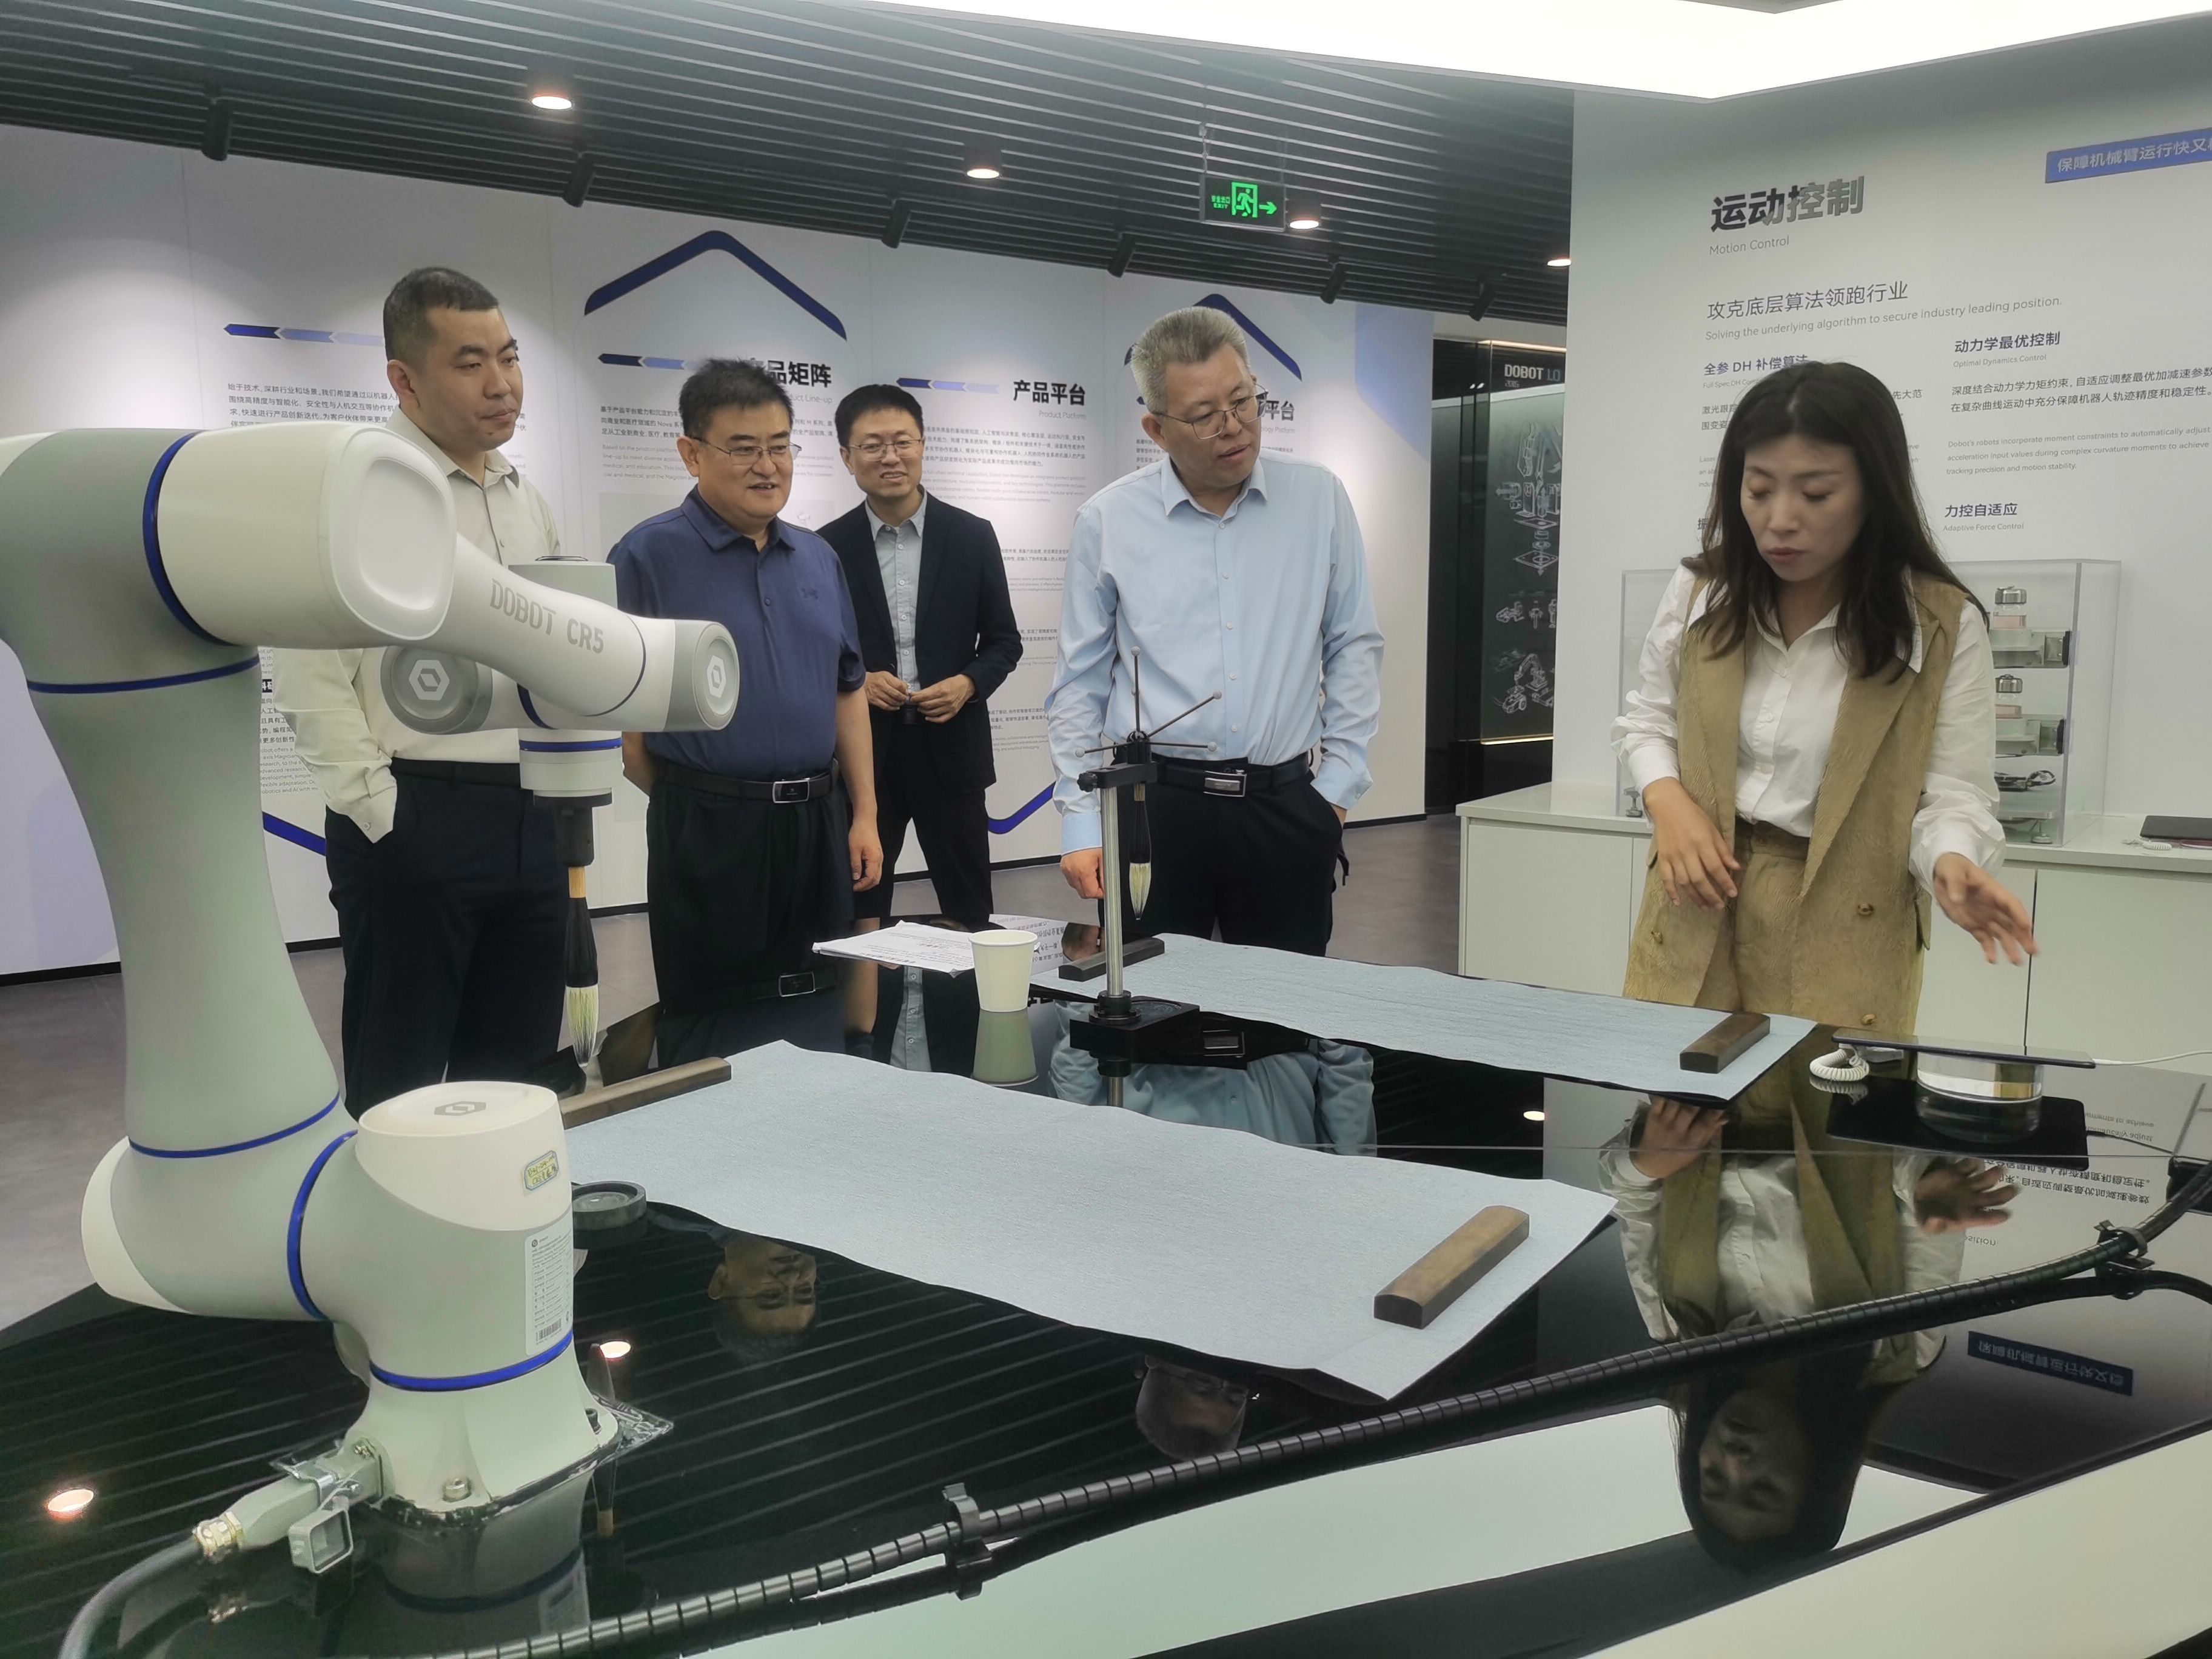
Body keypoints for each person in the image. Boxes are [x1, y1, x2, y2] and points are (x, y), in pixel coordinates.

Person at [1613, 360, 2036, 1036]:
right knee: (1675, 1092)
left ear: (1875, 491)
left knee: (1829, 1099)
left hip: (1846, 921)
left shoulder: (1940, 625)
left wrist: (1953, 860)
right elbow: (1647, 721)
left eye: (1816, 494)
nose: (1780, 521)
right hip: (1695, 902)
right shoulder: (1703, 591)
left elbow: (1954, 792)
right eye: (1758, 490)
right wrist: (1668, 803)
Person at [272, 267, 565, 1114]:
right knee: (398, 1082)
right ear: (404, 380)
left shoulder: (526, 499)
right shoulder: (354, 492)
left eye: (509, 357)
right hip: (415, 812)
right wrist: (380, 810)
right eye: (471, 362)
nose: (501, 383)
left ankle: (498, 1205)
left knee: (515, 1080)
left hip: (531, 814)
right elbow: (308, 669)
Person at [1047, 306, 1383, 954]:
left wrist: (1335, 793)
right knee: (1153, 998)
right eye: (1204, 415)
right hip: (1155, 809)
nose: (1234, 427)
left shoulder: (1318, 500)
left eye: (1244, 400)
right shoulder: (1109, 521)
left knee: (1286, 1004)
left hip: (1286, 806)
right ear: (1156, 428)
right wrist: (1081, 820)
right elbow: (1079, 684)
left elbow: (1353, 646)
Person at [1598, 1065, 2014, 1567]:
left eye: (1713, 1478)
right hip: (1843, 1073)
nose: (1735, 1461)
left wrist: (1644, 1163)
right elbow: (1915, 1176)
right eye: (1764, 1489)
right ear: (1821, 1475)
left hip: (1707, 1074)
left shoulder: (1674, 1334)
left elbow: (1631, 1199)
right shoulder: (1898, 1351)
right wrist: (1928, 1184)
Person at [611, 358, 882, 1036]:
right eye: (743, 449)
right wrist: (697, 802)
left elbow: (848, 691)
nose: (768, 467)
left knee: (819, 1006)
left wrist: (865, 814)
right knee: (715, 1022)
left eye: (780, 446)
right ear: (691, 453)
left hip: (818, 821)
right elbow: (627, 729)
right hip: (709, 827)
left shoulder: (818, 557)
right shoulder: (646, 557)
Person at [817, 385, 1022, 931]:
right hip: (865, 754)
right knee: (860, 906)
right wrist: (858, 682)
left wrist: (968, 684)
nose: (890, 457)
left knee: (969, 908)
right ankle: (865, 992)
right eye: (872, 445)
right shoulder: (825, 547)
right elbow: (814, 652)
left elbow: (1004, 642)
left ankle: (975, 990)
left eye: (902, 442)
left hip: (952, 749)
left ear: (923, 445)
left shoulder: (972, 537)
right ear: (847, 457)